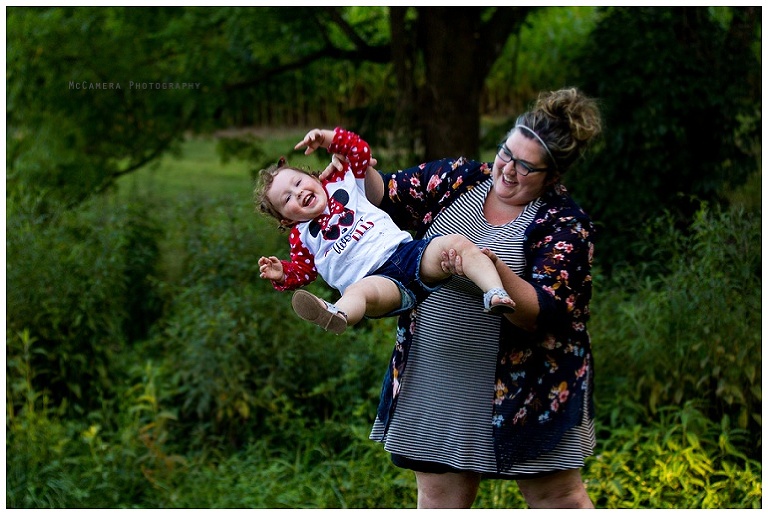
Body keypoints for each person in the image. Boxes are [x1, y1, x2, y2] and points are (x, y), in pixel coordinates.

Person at [364, 88, 601, 508]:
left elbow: (542, 313)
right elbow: (384, 192)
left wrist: (489, 267)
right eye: (506, 153)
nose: (507, 170)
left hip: (528, 387)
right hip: (436, 376)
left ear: (552, 175)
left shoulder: (565, 224)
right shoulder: (459, 178)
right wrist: (352, 162)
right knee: (439, 500)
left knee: (557, 498)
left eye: (526, 166)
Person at [255, 127, 515, 335]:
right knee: (357, 294)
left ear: (314, 178)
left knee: (456, 244)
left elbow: (359, 150)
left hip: (409, 254)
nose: (298, 192)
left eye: (298, 182)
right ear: (287, 219)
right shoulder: (301, 237)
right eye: (287, 199)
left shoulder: (343, 182)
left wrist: (327, 138)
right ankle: (336, 314)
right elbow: (304, 271)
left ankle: (495, 292)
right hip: (375, 281)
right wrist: (283, 274)